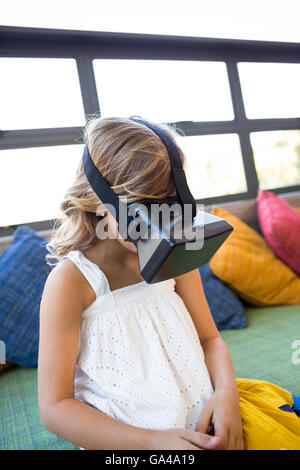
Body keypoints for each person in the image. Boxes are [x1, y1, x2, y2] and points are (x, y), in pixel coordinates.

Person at [38, 116, 300, 450]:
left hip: (210, 423)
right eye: (144, 208)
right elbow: (55, 407)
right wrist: (153, 443)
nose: (161, 223)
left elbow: (210, 339)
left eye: (169, 205)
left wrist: (226, 396)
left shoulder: (172, 255)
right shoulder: (73, 281)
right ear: (97, 196)